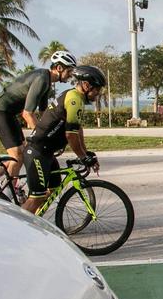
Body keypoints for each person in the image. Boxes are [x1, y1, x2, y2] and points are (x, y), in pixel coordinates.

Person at [0, 50, 77, 196]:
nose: (70, 75)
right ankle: (8, 195)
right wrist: (42, 137)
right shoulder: (42, 79)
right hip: (0, 110)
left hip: (9, 113)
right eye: (69, 71)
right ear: (59, 68)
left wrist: (53, 131)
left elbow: (44, 113)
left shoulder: (47, 81)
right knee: (17, 156)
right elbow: (27, 114)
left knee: (22, 152)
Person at [19, 65, 103, 214]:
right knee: (35, 198)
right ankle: (17, 225)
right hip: (37, 152)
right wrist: (83, 157)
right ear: (86, 85)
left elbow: (77, 129)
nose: (99, 93)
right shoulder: (74, 99)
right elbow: (70, 135)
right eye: (97, 89)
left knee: (53, 189)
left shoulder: (75, 97)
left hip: (47, 153)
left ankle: (34, 220)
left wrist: (85, 153)